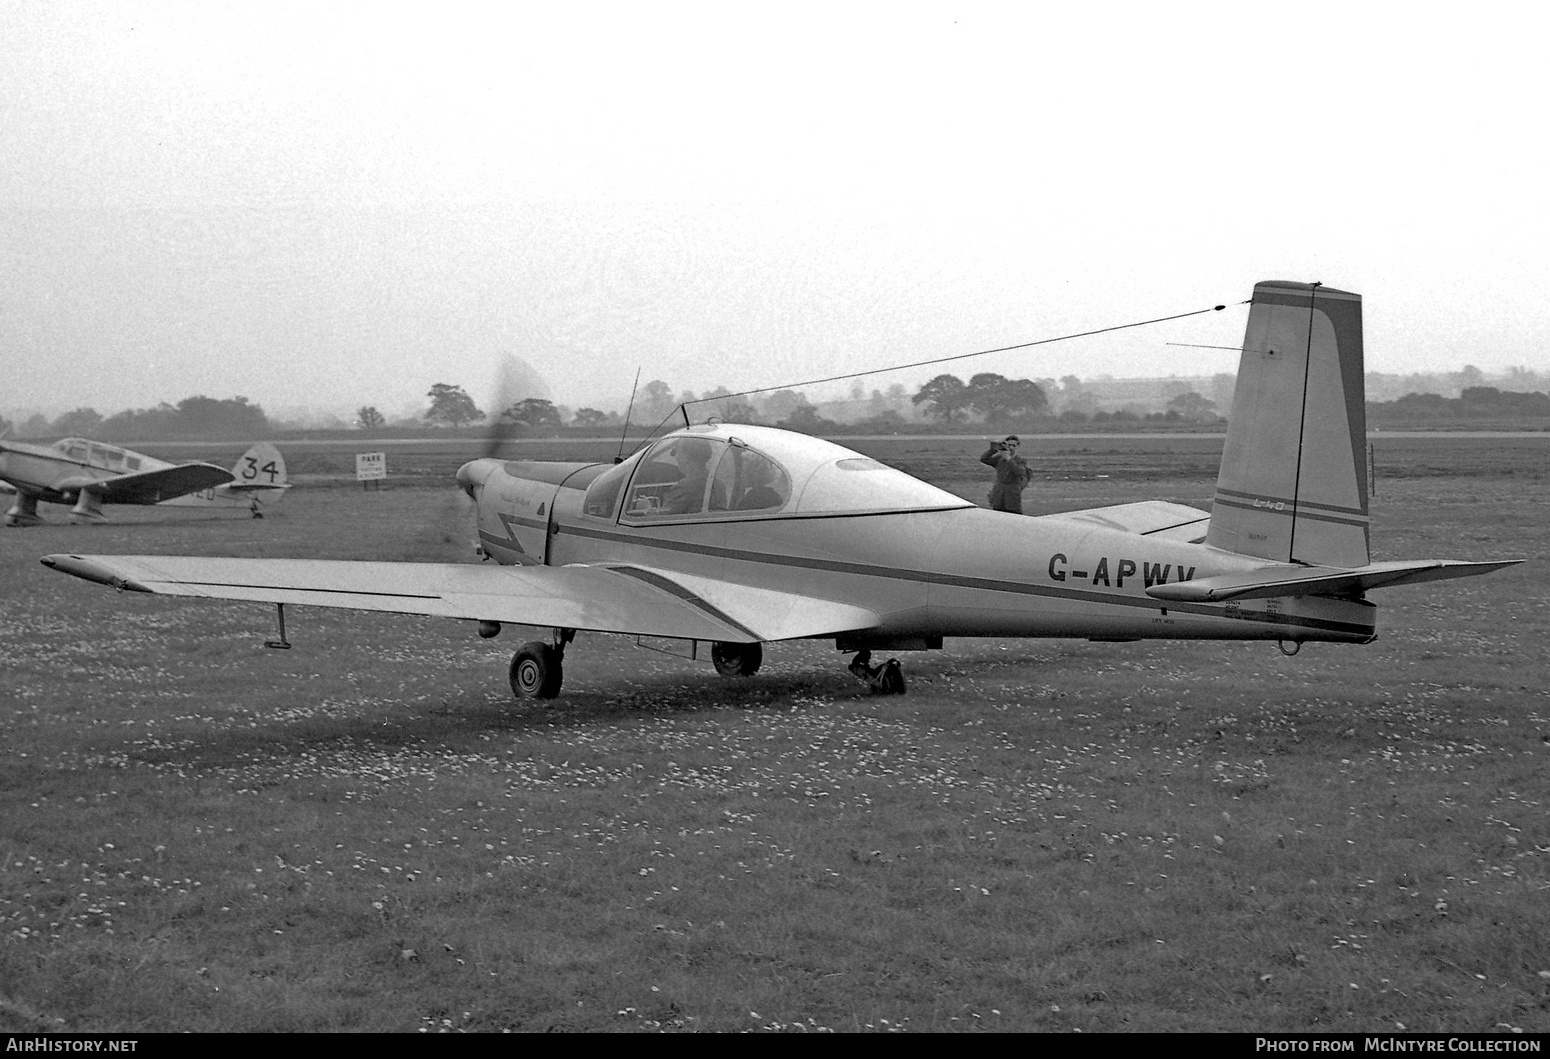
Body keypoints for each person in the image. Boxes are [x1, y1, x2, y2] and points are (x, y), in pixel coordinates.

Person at [980, 434, 1031, 513]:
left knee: (1014, 517)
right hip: (998, 495)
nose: (1011, 448)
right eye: (1009, 445)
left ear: (1017, 446)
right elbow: (984, 459)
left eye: (1013, 445)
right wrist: (993, 449)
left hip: (1012, 496)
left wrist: (1009, 459)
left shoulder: (1021, 460)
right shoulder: (999, 458)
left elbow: (1020, 472)